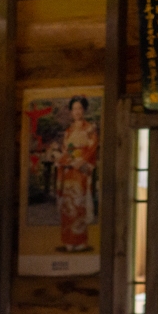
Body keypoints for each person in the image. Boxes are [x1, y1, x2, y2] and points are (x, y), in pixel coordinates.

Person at [54, 96, 99, 253]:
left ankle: (80, 241)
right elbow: (66, 151)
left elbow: (93, 148)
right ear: (71, 112)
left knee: (79, 204)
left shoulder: (90, 128)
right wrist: (64, 160)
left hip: (81, 170)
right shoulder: (68, 132)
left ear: (84, 110)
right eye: (74, 109)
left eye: (80, 108)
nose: (77, 112)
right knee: (68, 205)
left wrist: (82, 161)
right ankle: (68, 241)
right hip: (69, 171)